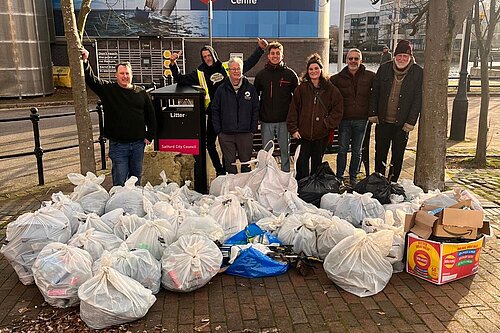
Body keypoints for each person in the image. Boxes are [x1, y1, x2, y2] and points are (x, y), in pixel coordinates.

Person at [169, 38, 268, 177]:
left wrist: (260, 50)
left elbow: (248, 64)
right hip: (214, 114)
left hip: (231, 113)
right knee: (210, 144)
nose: (207, 58)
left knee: (229, 148)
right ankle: (219, 170)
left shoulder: (228, 67)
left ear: (214, 54)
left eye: (209, 55)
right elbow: (180, 79)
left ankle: (228, 169)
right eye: (204, 57)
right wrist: (173, 64)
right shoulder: (200, 72)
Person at [81, 48, 157, 187]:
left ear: (131, 75)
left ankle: (135, 204)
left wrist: (150, 135)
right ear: (116, 75)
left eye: (127, 73)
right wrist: (86, 61)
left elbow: (151, 115)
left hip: (138, 144)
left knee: (136, 178)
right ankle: (119, 206)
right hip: (118, 145)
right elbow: (91, 80)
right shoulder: (109, 90)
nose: (125, 76)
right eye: (121, 73)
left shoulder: (141, 93)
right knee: (120, 179)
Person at [369, 40, 423, 182]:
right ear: (394, 56)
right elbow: (375, 92)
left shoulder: (417, 72)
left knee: (397, 154)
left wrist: (411, 122)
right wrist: (373, 113)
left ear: (410, 57)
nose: (402, 59)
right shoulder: (384, 69)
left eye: (405, 56)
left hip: (402, 123)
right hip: (383, 121)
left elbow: (418, 98)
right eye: (399, 56)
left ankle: (392, 181)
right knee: (380, 152)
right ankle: (379, 180)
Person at [287, 54, 343, 180]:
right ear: (307, 71)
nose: (313, 71)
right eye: (311, 69)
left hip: (321, 134)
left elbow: (338, 109)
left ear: (321, 70)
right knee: (302, 163)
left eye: (316, 68)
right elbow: (293, 110)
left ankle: (315, 188)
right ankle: (302, 186)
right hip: (303, 133)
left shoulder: (330, 89)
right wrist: (293, 129)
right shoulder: (301, 89)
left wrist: (327, 123)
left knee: (317, 163)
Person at [330, 48, 375, 187]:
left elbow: (377, 95)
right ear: (346, 60)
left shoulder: (370, 76)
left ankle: (353, 177)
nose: (353, 61)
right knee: (342, 150)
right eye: (350, 58)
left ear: (360, 60)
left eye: (356, 58)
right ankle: (339, 177)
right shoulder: (337, 78)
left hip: (362, 119)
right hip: (344, 120)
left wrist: (373, 113)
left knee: (357, 151)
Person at [254, 41, 299, 172]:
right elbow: (255, 98)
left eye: (277, 53)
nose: (275, 56)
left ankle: (285, 176)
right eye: (272, 53)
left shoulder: (290, 74)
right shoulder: (261, 75)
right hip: (266, 121)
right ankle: (267, 176)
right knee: (266, 153)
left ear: (282, 56)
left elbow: (297, 98)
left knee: (285, 152)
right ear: (268, 56)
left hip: (284, 121)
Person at [211, 57, 259, 174]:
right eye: (233, 69)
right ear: (229, 71)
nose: (236, 71)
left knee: (246, 164)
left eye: (238, 69)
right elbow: (215, 110)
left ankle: (245, 190)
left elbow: (255, 109)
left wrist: (252, 129)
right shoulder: (221, 90)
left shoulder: (250, 88)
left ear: (242, 70)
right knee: (230, 164)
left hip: (245, 133)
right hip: (226, 134)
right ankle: (232, 190)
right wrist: (219, 131)